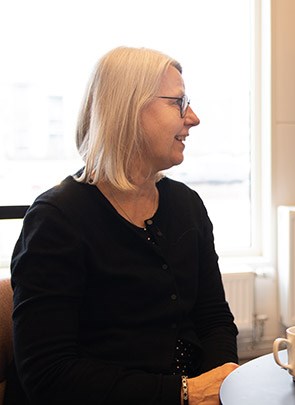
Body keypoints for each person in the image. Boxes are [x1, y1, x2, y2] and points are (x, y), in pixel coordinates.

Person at [7, 47, 239, 404]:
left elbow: (213, 319)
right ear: (129, 110)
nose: (193, 117)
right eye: (178, 103)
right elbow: (49, 373)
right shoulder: (56, 219)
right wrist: (185, 393)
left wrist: (221, 384)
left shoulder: (185, 204)